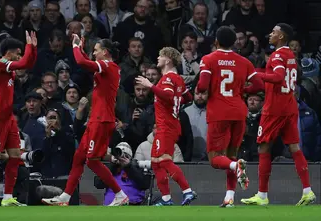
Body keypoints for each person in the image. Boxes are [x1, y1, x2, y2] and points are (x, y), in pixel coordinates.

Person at [42, 35, 129, 206]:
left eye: (96, 50)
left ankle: (119, 194)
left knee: (92, 161)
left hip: (102, 120)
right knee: (79, 157)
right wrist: (80, 47)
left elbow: (83, 63)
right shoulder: (107, 67)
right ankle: (65, 197)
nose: (94, 53)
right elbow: (86, 61)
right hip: (95, 119)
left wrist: (75, 47)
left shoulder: (107, 65)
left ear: (104, 52)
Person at [241, 23, 316, 206]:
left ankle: (262, 195)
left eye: (274, 32)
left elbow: (277, 77)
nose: (270, 34)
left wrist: (256, 73)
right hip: (290, 105)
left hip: (274, 108)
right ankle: (307, 190)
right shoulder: (290, 55)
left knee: (263, 147)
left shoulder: (276, 56)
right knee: (294, 147)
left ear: (281, 36)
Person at [196, 26, 264, 207]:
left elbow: (202, 86)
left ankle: (236, 168)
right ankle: (229, 197)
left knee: (216, 159)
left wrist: (204, 89)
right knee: (231, 155)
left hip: (219, 112)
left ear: (216, 41)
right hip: (239, 112)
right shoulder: (244, 61)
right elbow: (258, 84)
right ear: (234, 42)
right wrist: (243, 90)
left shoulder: (208, 59)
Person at [135, 47, 197, 206]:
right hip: (169, 124)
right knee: (156, 163)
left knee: (164, 161)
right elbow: (187, 97)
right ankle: (166, 199)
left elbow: (169, 96)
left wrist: (151, 86)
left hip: (167, 126)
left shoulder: (168, 79)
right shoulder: (177, 79)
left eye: (161, 56)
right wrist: (177, 103)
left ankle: (187, 191)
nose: (158, 58)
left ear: (168, 60)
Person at [0, 31, 37, 207]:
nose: (19, 56)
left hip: (8, 119)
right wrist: (29, 47)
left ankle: (7, 197)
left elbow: (27, 63)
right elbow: (23, 62)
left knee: (15, 156)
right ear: (8, 52)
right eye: (17, 52)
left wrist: (33, 48)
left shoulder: (9, 67)